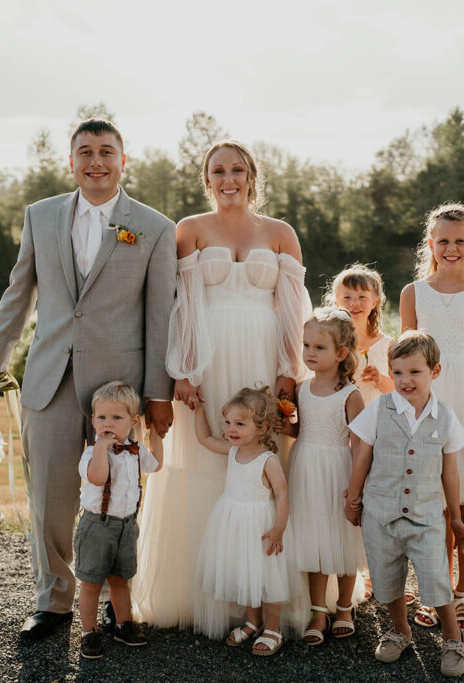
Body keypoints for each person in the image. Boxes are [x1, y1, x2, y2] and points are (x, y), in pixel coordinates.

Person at [0, 118, 176, 640]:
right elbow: (17, 296)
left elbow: (160, 318)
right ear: (71, 161)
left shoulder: (154, 227)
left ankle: (115, 598)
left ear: (123, 161)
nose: (96, 161)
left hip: (120, 390)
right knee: (50, 497)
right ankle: (54, 601)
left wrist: (157, 395)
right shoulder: (40, 216)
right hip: (50, 379)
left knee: (120, 497)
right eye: (85, 152)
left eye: (107, 151)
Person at [133, 140, 309, 634]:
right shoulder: (189, 230)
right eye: (218, 171)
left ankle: (271, 599)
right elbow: (180, 303)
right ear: (206, 179)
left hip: (261, 357)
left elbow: (293, 309)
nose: (228, 178)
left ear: (251, 176)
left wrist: (288, 370)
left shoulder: (280, 233)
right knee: (205, 460)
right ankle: (200, 595)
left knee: (263, 464)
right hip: (206, 361)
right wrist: (184, 371)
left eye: (237, 169)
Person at [399, 203, 464, 631]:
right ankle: (436, 590)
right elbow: (405, 360)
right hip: (428, 403)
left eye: (460, 241)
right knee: (434, 503)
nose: (451, 248)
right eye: (443, 240)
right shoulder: (413, 293)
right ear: (431, 244)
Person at [344, 331, 464, 675]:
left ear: (435, 371)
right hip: (380, 513)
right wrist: (353, 499)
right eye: (398, 372)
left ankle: (452, 637)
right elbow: (361, 459)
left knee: (435, 578)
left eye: (415, 372)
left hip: (427, 516)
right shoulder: (378, 410)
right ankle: (400, 630)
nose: (405, 380)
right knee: (386, 579)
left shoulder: (445, 416)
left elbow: (451, 474)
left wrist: (456, 519)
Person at [279, 307, 366, 645]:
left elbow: (360, 445)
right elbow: (302, 430)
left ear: (341, 353)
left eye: (319, 348)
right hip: (305, 468)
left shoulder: (350, 394)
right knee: (314, 537)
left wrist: (355, 489)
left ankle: (344, 607)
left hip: (337, 470)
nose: (310, 353)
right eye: (307, 346)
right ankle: (318, 609)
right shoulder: (301, 388)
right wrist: (284, 425)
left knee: (340, 538)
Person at [192, 387, 295, 656]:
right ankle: (253, 621)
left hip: (261, 526)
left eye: (239, 423)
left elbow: (282, 493)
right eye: (227, 423)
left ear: (261, 428)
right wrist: (200, 410)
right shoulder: (231, 450)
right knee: (244, 572)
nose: (231, 429)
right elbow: (203, 438)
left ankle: (273, 628)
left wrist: (279, 529)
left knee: (267, 577)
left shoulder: (268, 460)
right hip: (233, 523)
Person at [75, 382, 163, 659]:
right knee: (90, 582)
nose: (108, 423)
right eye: (102, 417)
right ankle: (88, 632)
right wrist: (101, 447)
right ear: (93, 420)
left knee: (120, 579)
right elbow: (98, 478)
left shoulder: (136, 450)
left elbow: (156, 465)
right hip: (97, 526)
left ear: (133, 422)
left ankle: (122, 624)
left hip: (126, 525)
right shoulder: (92, 453)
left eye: (116, 418)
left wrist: (156, 437)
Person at [329, 264, 395, 406]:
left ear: (374, 302)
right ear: (336, 303)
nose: (354, 303)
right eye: (347, 297)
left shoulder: (387, 346)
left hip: (374, 420)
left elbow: (399, 391)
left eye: (362, 297)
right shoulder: (331, 343)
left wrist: (380, 380)